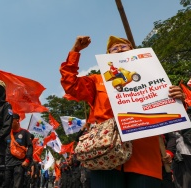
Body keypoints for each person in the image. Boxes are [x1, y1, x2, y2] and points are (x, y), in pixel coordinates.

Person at [59, 35, 186, 188]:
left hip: (145, 155)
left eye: (124, 46)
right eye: (114, 48)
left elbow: (170, 112)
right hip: (105, 156)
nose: (119, 49)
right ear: (107, 57)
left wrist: (179, 98)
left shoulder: (154, 77)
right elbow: (70, 84)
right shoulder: (96, 80)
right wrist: (75, 51)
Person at [2, 113, 33, 188]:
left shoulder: (25, 133)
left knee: (17, 185)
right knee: (6, 184)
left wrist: (27, 160)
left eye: (11, 120)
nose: (9, 122)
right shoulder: (6, 133)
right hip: (7, 164)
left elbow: (30, 147)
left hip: (19, 164)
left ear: (17, 120)